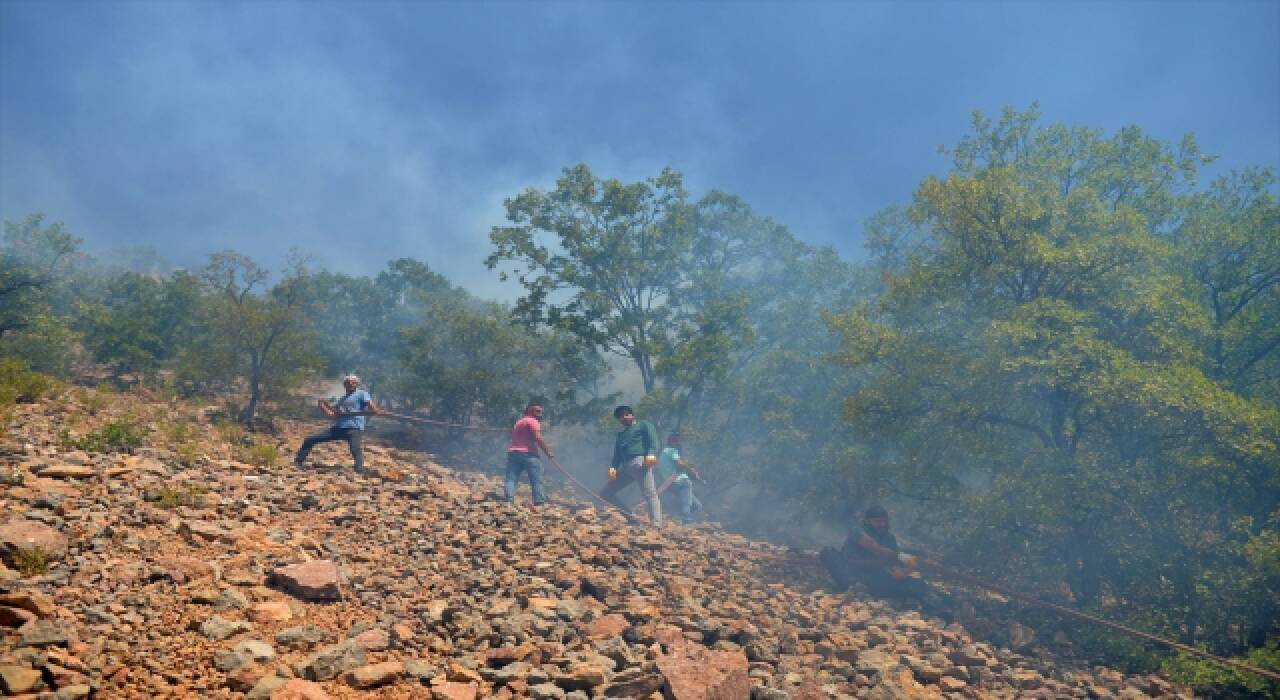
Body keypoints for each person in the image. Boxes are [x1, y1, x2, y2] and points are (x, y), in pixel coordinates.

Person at [819, 505, 947, 615]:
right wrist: (906, 558)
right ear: (867, 521)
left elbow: (893, 565)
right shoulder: (857, 531)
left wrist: (904, 572)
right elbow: (877, 549)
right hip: (850, 574)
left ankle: (941, 610)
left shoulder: (889, 538)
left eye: (884, 521)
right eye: (877, 521)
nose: (882, 524)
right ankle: (851, 588)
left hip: (874, 578)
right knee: (828, 551)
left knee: (916, 584)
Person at [293, 374, 381, 473]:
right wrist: (322, 406)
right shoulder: (341, 400)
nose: (350, 384)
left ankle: (359, 470)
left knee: (355, 448)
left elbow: (372, 408)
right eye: (348, 382)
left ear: (356, 384)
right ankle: (298, 462)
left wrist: (374, 410)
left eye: (353, 382)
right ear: (345, 385)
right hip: (338, 428)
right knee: (309, 439)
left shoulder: (362, 393)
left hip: (354, 428)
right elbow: (333, 416)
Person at [600, 405, 662, 525]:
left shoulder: (643, 425)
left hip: (640, 463)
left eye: (625, 414)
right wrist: (613, 467)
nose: (623, 418)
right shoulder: (621, 435)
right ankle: (631, 518)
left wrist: (651, 453)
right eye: (620, 417)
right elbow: (617, 454)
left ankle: (656, 524)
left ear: (632, 415)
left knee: (650, 493)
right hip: (626, 466)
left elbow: (653, 440)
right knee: (606, 493)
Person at [505, 402, 553, 505]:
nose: (540, 414)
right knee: (537, 480)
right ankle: (539, 503)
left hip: (514, 453)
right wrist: (547, 452)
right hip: (529, 455)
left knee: (511, 479)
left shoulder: (518, 422)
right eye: (538, 411)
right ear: (529, 410)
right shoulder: (533, 421)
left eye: (541, 412)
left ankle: (508, 501)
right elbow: (538, 438)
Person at [657, 433, 703, 522]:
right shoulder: (671, 450)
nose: (678, 443)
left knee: (698, 506)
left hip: (671, 484)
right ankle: (686, 519)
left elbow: (676, 466)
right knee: (687, 504)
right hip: (681, 481)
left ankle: (683, 521)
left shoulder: (663, 453)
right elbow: (680, 464)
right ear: (670, 441)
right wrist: (692, 472)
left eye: (679, 441)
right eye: (676, 441)